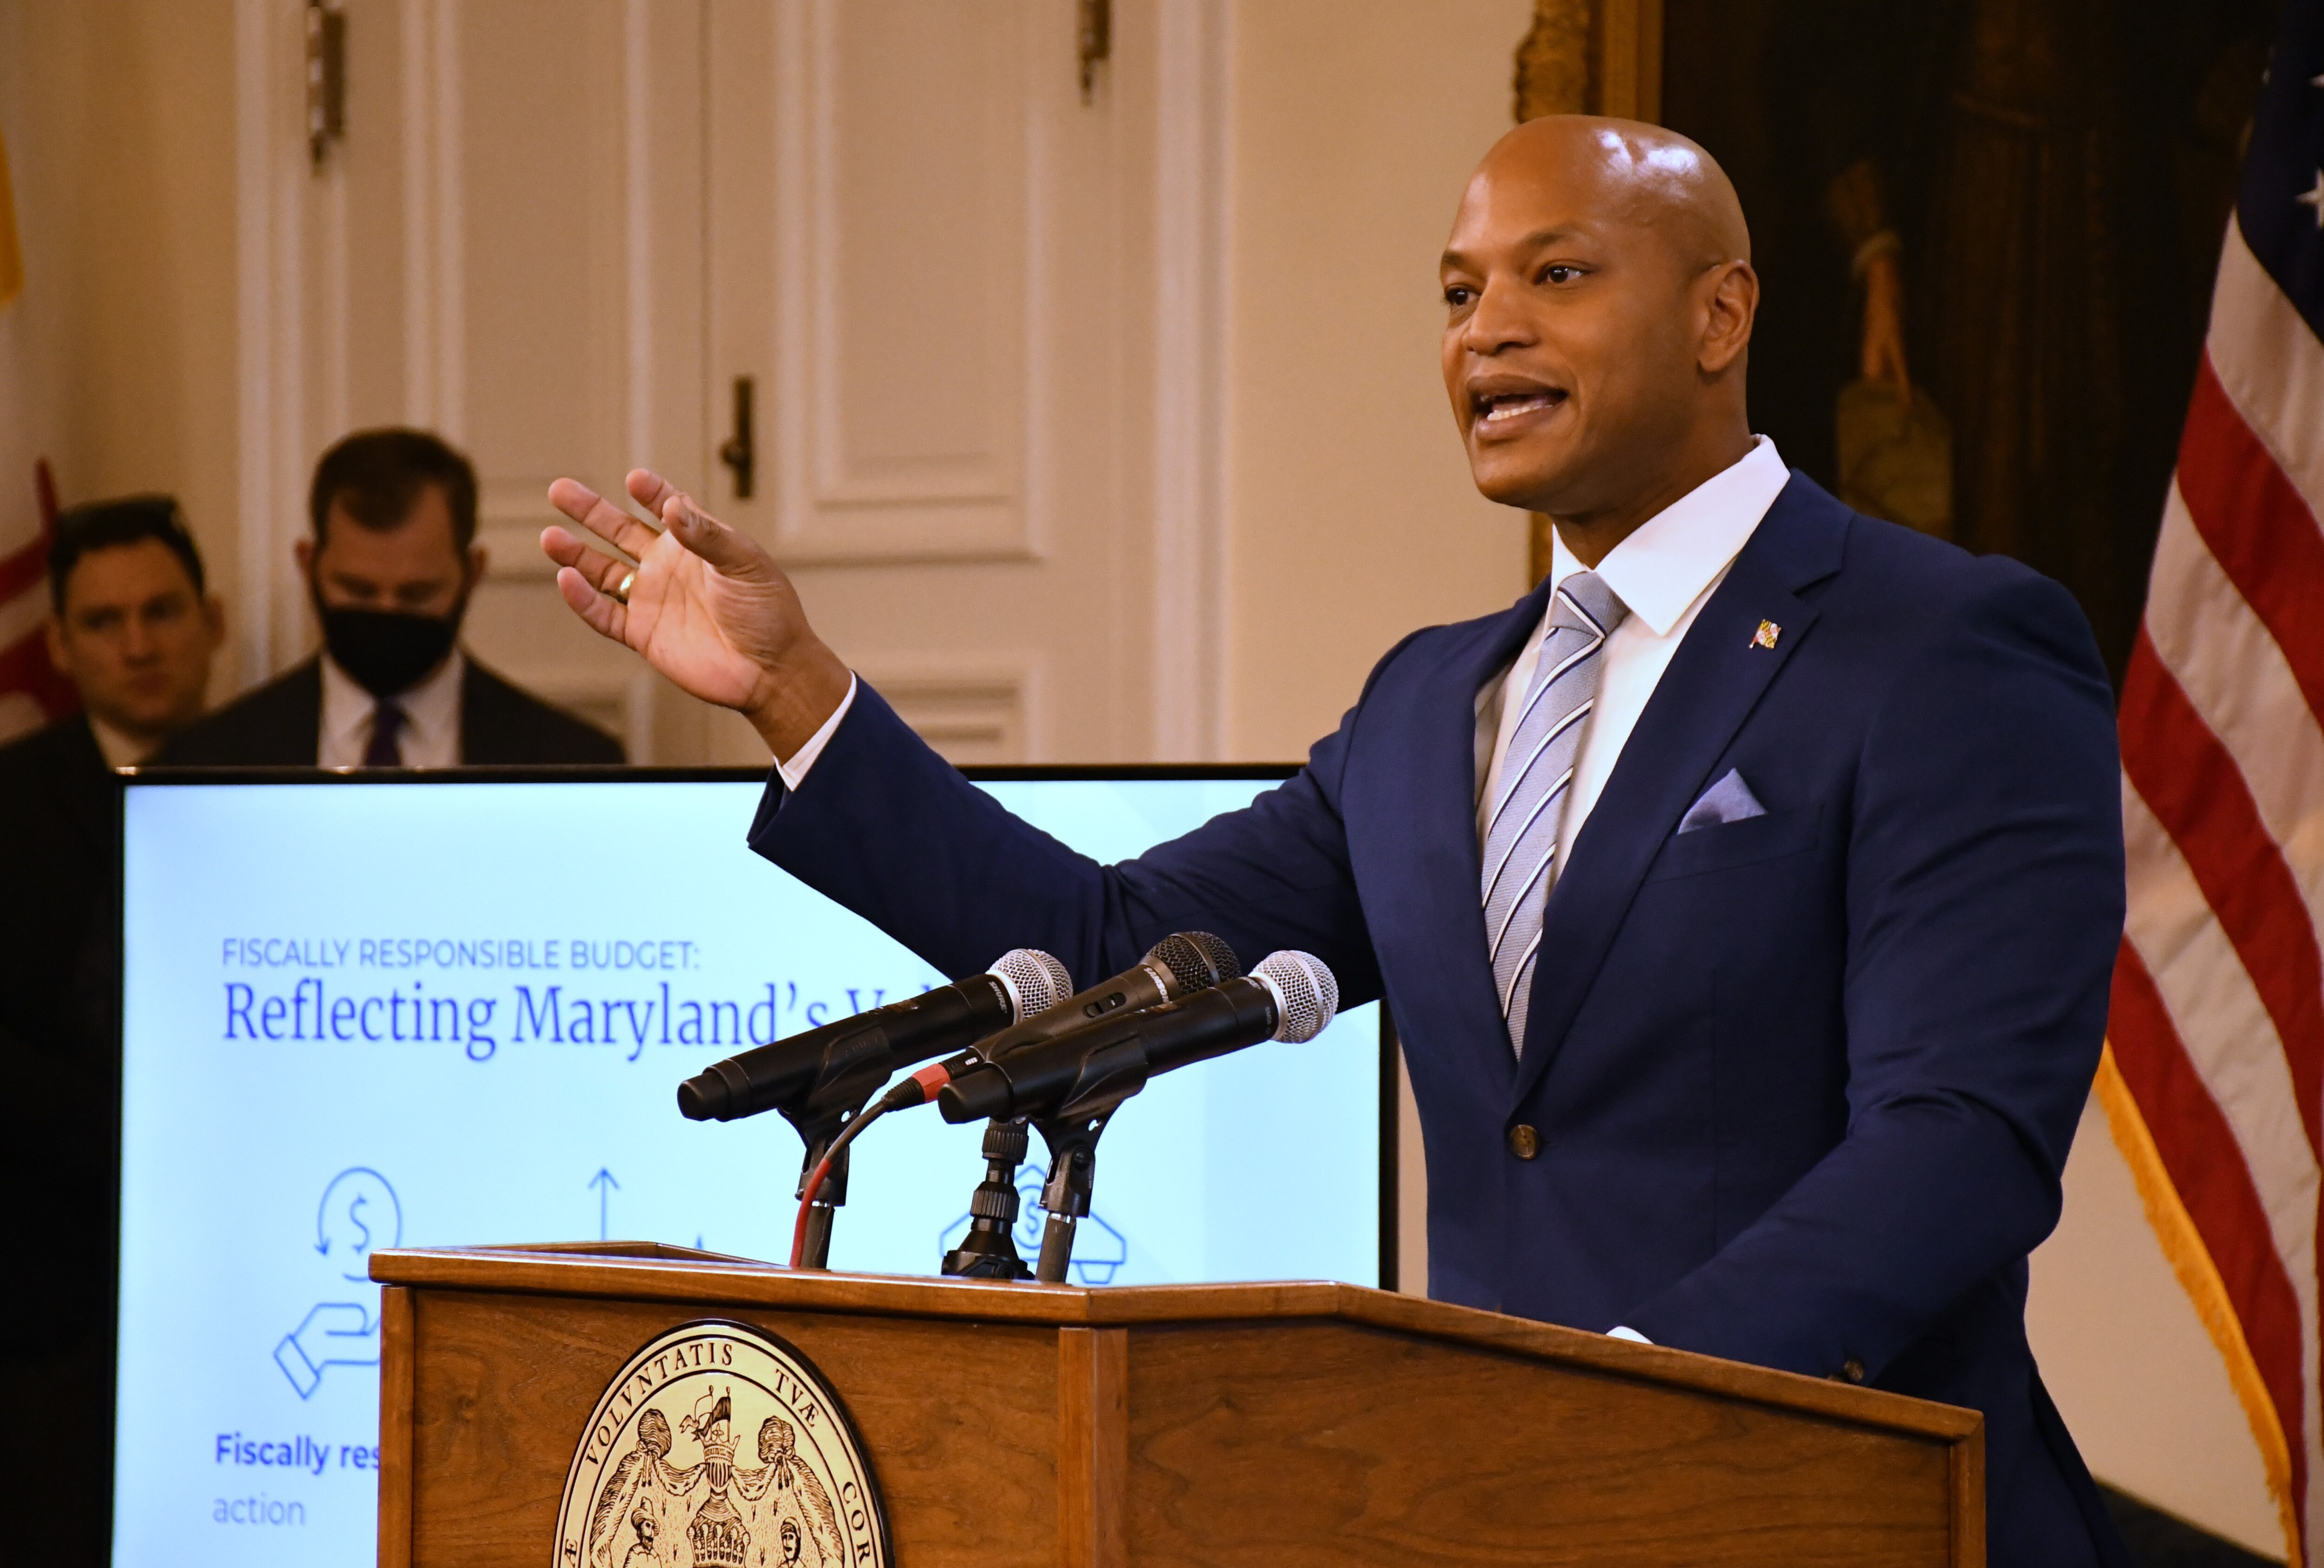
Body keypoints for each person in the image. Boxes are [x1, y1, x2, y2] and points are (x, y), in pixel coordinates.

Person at [540, 117, 2126, 1565]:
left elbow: (1961, 1136)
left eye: (1557, 275)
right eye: (1458, 293)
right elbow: (1114, 955)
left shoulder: (1941, 647)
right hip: (1491, 1512)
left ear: (1722, 315)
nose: (1486, 329)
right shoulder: (1433, 702)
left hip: (1840, 1507)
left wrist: (1631, 1400)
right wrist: (797, 694)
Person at [0, 494, 226, 1565]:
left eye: (162, 612)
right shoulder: (9, 803)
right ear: (58, 643)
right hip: (48, 1305)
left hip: (233, 1281)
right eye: (104, 621)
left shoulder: (277, 763)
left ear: (211, 620)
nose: (138, 645)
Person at [160, 428, 623, 766]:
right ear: (308, 564)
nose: (386, 611)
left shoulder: (572, 760)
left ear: (472, 573)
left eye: (417, 593)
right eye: (357, 589)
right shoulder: (207, 760)